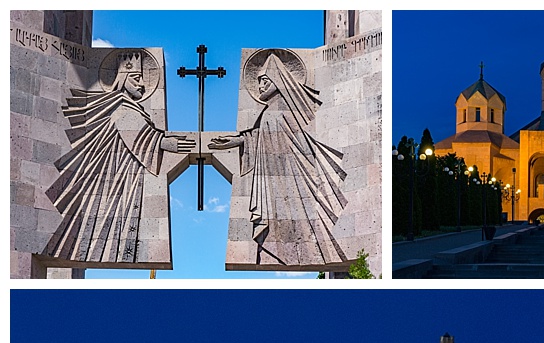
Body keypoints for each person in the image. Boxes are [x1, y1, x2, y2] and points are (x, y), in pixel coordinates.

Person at [44, 50, 194, 264]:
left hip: (127, 179)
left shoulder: (133, 108)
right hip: (112, 183)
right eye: (136, 78)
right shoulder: (121, 108)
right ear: (123, 79)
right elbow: (140, 136)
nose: (141, 84)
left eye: (142, 79)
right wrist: (165, 142)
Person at [209, 53, 348, 266]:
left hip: (293, 183)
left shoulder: (284, 110)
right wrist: (237, 141)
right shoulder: (268, 112)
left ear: (277, 80)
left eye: (264, 82)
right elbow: (261, 139)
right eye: (258, 83)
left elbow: (294, 143)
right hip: (275, 186)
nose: (260, 88)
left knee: (303, 232)